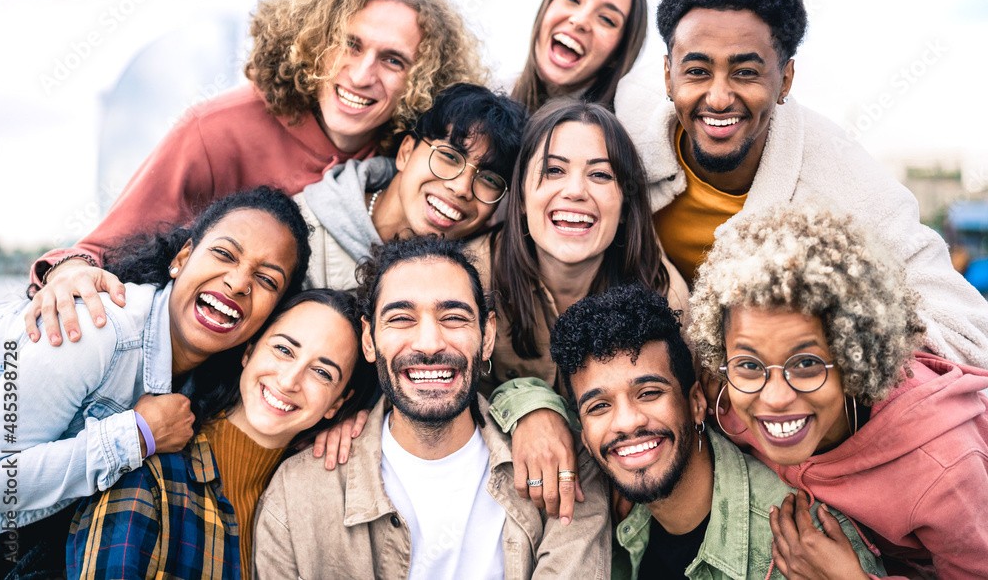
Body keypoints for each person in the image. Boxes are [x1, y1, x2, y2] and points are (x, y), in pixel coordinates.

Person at [26, 0, 486, 347]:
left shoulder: (410, 157)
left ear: (421, 80)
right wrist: (68, 271)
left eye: (393, 60)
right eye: (350, 44)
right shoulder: (217, 129)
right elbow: (102, 251)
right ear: (313, 42)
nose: (363, 74)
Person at [613, 0, 988, 367]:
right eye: (698, 71)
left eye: (745, 73)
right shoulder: (627, 118)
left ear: (786, 79)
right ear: (668, 76)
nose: (718, 97)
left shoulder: (845, 181)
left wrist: (821, 338)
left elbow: (968, 330)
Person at [0, 186, 309, 576]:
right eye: (224, 254)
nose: (239, 283)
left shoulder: (208, 382)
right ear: (182, 258)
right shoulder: (94, 328)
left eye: (267, 280)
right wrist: (134, 436)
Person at [254, 237, 611, 579]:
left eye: (454, 317)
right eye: (401, 318)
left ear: (487, 336)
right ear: (369, 339)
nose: (429, 343)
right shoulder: (297, 491)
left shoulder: (565, 466)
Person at [688, 205, 988, 578]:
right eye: (750, 365)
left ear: (853, 360)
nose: (776, 398)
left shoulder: (944, 469)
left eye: (806, 364)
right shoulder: (729, 401)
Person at [549, 284, 884, 580]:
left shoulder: (805, 545)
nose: (626, 423)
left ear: (696, 403)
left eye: (649, 393)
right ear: (584, 437)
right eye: (599, 407)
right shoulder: (604, 503)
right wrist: (529, 408)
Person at [472, 98, 688, 522]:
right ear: (519, 198)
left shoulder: (663, 295)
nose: (574, 190)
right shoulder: (471, 278)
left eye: (600, 174)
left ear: (625, 204)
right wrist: (526, 406)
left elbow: (688, 413)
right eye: (553, 170)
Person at [68, 288, 378, 579]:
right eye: (283, 349)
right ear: (249, 351)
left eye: (322, 373)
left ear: (336, 403)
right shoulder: (151, 476)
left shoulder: (312, 499)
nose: (289, 381)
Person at [294, 82, 526, 290]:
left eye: (489, 180)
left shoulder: (475, 283)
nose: (462, 188)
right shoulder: (300, 232)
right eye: (449, 156)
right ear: (405, 152)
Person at [511, 0, 647, 113]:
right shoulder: (485, 99)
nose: (581, 20)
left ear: (617, 55)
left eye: (607, 19)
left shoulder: (621, 132)